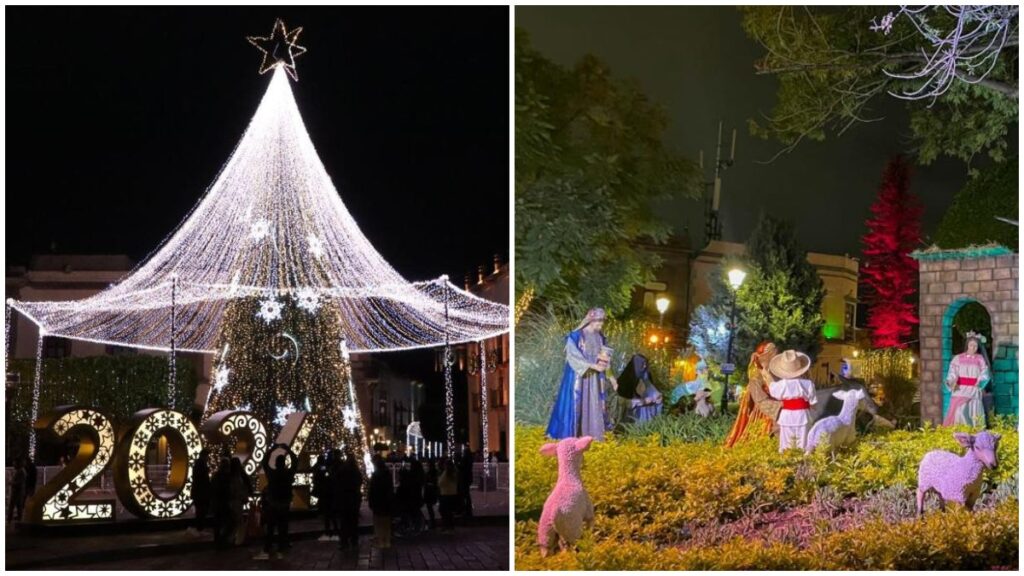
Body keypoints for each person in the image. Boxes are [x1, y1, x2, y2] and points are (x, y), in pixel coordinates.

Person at [547, 308, 618, 441]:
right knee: (576, 404)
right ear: (591, 320)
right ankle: (573, 435)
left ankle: (592, 435)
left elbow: (605, 360)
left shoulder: (600, 338)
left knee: (594, 403)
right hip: (578, 377)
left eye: (602, 321)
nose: (601, 324)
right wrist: (592, 366)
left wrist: (612, 378)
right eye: (599, 321)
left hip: (595, 379)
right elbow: (573, 356)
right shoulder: (576, 336)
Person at [725, 342, 782, 448]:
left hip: (780, 410)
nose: (776, 354)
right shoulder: (756, 377)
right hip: (764, 412)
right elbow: (759, 400)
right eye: (773, 352)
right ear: (765, 356)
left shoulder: (777, 373)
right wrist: (780, 406)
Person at [767, 350, 817, 453]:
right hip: (802, 415)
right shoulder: (808, 384)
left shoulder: (780, 385)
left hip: (786, 416)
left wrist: (766, 375)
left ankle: (786, 459)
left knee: (786, 442)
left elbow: (773, 391)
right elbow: (813, 402)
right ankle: (803, 460)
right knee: (803, 442)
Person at [255, 443, 297, 560]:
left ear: (276, 463)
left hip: (273, 503)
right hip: (284, 503)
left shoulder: (272, 474)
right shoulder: (288, 474)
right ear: (284, 463)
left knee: (271, 527)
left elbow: (264, 462)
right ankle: (281, 547)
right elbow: (295, 462)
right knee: (283, 527)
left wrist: (271, 450)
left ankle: (268, 547)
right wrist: (288, 450)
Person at [943, 332, 991, 428]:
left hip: (974, 388)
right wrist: (951, 382)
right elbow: (953, 372)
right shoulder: (958, 358)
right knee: (960, 411)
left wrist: (980, 381)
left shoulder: (980, 359)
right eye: (971, 345)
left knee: (973, 410)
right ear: (967, 345)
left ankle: (974, 431)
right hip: (960, 389)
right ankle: (960, 431)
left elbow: (985, 372)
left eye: (975, 346)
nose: (973, 347)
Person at [617, 354, 663, 423]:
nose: (644, 366)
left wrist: (657, 396)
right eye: (642, 364)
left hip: (644, 414)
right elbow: (623, 401)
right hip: (631, 416)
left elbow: (650, 388)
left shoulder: (644, 376)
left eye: (645, 364)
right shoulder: (625, 380)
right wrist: (642, 401)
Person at [335, 453, 362, 551]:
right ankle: (354, 540)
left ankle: (344, 541)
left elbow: (337, 482)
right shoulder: (356, 471)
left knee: (344, 521)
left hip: (345, 499)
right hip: (354, 498)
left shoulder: (342, 470)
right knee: (354, 521)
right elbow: (359, 482)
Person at [367, 454, 394, 550]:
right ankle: (387, 541)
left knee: (378, 522)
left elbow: (372, 490)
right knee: (386, 522)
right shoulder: (387, 473)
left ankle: (381, 541)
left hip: (378, 501)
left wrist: (370, 501)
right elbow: (390, 488)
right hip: (386, 501)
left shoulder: (376, 475)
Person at [189, 449, 212, 537]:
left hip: (198, 492)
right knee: (201, 511)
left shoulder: (198, 463)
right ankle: (200, 529)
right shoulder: (201, 464)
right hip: (201, 493)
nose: (208, 458)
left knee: (200, 511)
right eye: (207, 456)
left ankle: (200, 529)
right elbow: (203, 479)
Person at [313, 450, 335, 541]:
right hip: (326, 490)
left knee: (327, 511)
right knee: (329, 512)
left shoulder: (320, 466)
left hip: (323, 490)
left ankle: (329, 528)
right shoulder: (324, 467)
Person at [438, 459, 459, 531]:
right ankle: (450, 526)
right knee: (449, 511)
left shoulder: (446, 473)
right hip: (453, 493)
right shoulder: (455, 472)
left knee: (442, 510)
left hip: (445, 494)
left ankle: (446, 525)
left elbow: (440, 483)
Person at [7, 458, 26, 523]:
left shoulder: (21, 472)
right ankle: (18, 519)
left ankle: (10, 519)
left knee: (14, 506)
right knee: (17, 506)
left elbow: (20, 482)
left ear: (18, 463)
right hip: (17, 492)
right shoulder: (19, 471)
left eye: (14, 463)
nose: (13, 465)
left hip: (18, 492)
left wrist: (11, 483)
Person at [457, 447, 475, 518]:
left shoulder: (464, 459)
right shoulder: (470, 459)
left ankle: (464, 509)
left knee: (463, 494)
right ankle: (468, 509)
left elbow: (461, 467)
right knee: (467, 494)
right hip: (468, 478)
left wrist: (458, 464)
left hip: (463, 478)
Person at [422, 459, 439, 529]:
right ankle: (432, 522)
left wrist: (428, 483)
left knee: (429, 507)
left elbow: (433, 482)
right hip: (430, 491)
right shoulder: (432, 472)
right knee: (429, 507)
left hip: (430, 492)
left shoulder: (431, 473)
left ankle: (432, 523)